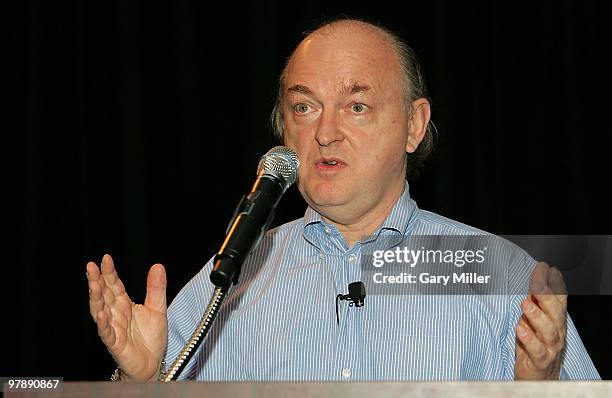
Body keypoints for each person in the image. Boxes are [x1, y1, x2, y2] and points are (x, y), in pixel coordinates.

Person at [86, 18, 599, 381]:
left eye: (356, 106)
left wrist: (541, 390)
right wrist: (142, 382)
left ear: (414, 125)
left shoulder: (499, 274)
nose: (326, 132)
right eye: (305, 106)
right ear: (283, 130)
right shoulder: (230, 277)